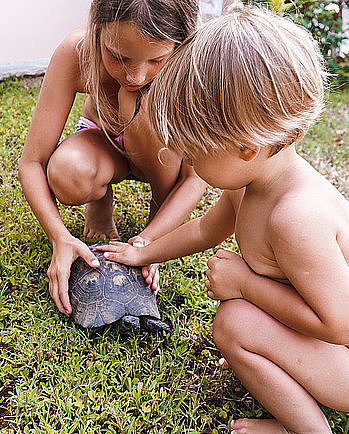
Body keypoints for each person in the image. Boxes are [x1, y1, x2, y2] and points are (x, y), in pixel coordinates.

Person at [96, 7, 349, 433]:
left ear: (245, 149)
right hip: (337, 352)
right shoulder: (249, 184)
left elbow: (345, 324)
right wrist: (141, 250)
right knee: (241, 321)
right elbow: (206, 228)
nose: (189, 165)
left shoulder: (296, 218)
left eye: (195, 154)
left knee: (235, 322)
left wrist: (245, 285)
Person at [18, 0, 207, 316]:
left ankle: (157, 217)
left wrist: (152, 243)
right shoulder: (77, 52)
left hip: (162, 156)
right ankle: (100, 202)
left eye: (157, 60)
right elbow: (32, 162)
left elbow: (194, 178)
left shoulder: (193, 65)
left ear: (181, 43)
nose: (135, 75)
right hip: (104, 142)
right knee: (67, 172)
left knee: (140, 104)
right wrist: (60, 237)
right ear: (97, 30)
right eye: (118, 58)